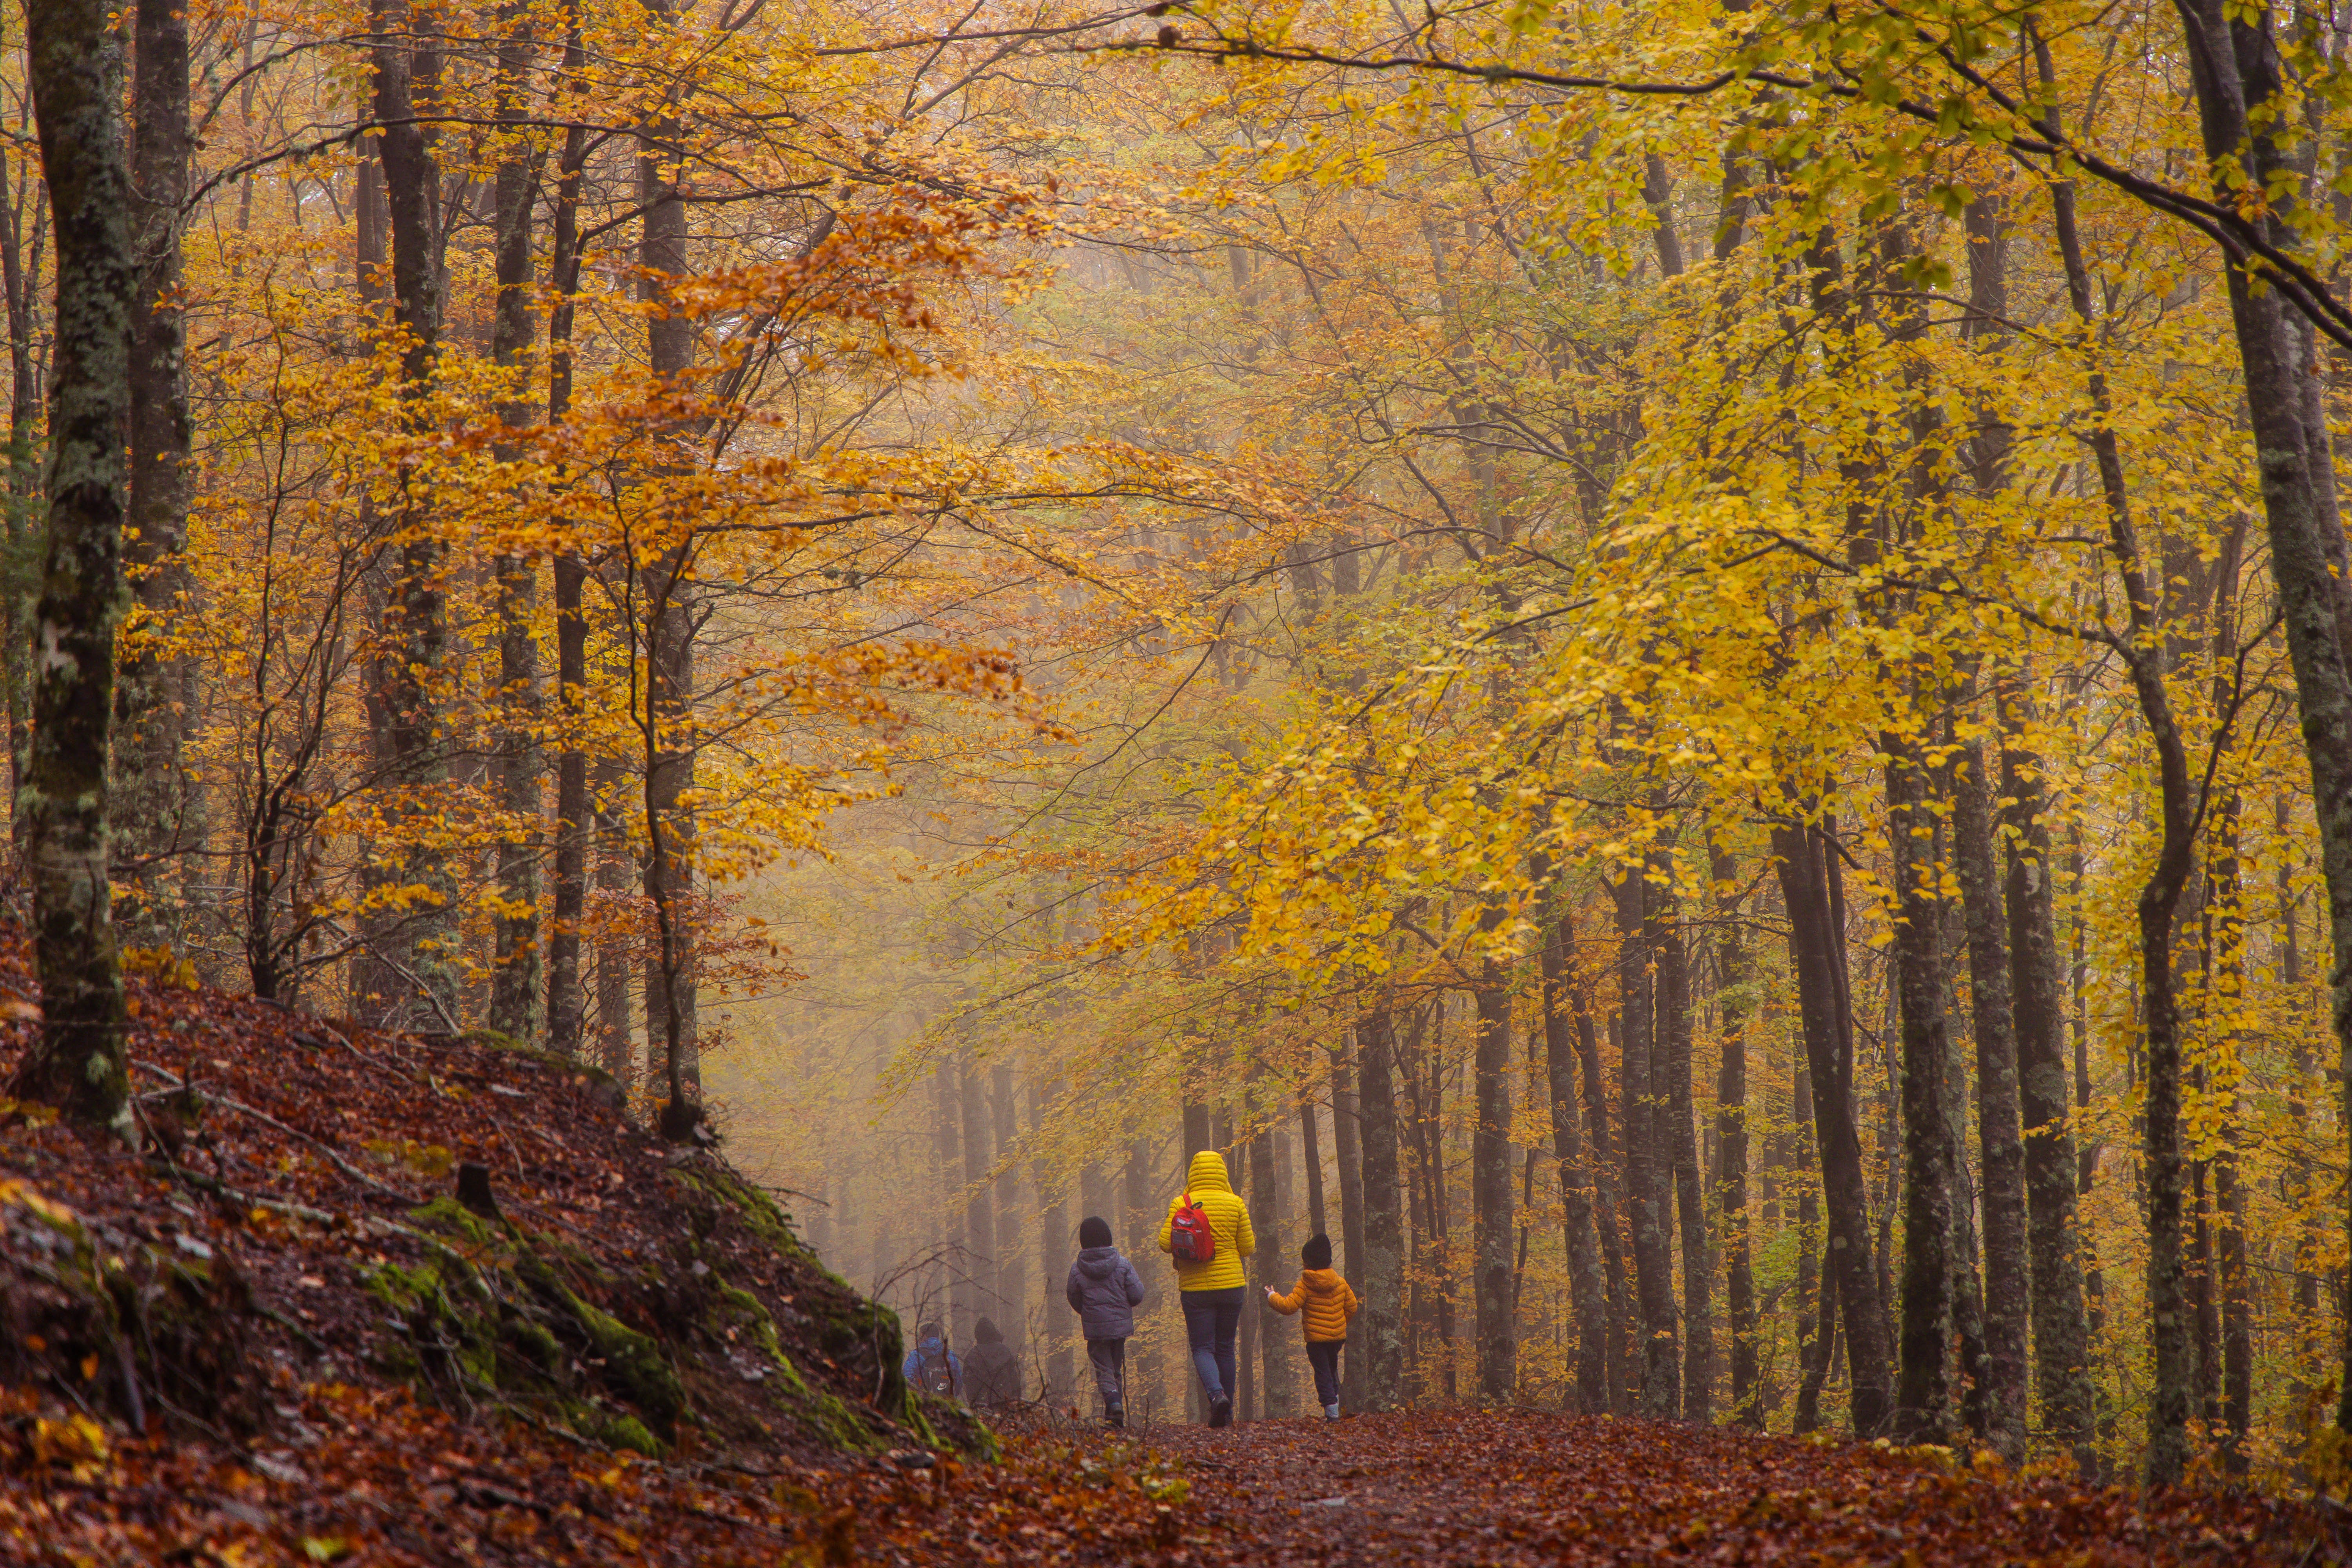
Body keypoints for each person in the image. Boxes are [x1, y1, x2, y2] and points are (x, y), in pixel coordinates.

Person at [1158, 1149, 1255, 1428]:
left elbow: (1165, 1243)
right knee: (1225, 1347)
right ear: (1222, 1172)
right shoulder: (1235, 1203)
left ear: (1193, 1173)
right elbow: (1248, 1247)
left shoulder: (1182, 1202)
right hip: (1232, 1285)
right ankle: (1228, 1413)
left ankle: (1216, 1396)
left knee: (1202, 1348)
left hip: (1195, 1288)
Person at [1264, 1232, 1360, 1419]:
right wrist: (1339, 1325)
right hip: (1337, 1339)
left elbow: (1289, 1306)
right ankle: (1335, 1409)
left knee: (1323, 1373)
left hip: (1316, 1341)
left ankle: (1332, 1414)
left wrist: (1271, 1296)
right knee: (1331, 1370)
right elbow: (1353, 1307)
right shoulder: (1340, 1283)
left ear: (1307, 1262)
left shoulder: (1305, 1284)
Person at [1066, 1214, 1148, 1427]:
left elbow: (1073, 1298)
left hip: (1096, 1329)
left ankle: (1114, 1407)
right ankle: (1114, 1413)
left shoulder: (1077, 1269)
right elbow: (1137, 1294)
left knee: (1104, 1369)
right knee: (1114, 1369)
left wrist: (1088, 1313)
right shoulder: (1122, 1264)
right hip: (1120, 1327)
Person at [962, 1317, 1023, 1408]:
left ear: (977, 1335)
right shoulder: (1005, 1351)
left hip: (983, 1406)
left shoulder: (973, 1355)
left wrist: (973, 1403)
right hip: (1005, 1404)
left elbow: (969, 1384)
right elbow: (1014, 1380)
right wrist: (1016, 1400)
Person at [901, 1321, 962, 1400]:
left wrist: (917, 1396)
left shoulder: (916, 1355)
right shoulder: (950, 1354)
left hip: (925, 1403)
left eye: (920, 1336)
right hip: (948, 1403)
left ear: (925, 1336)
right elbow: (958, 1381)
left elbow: (907, 1379)